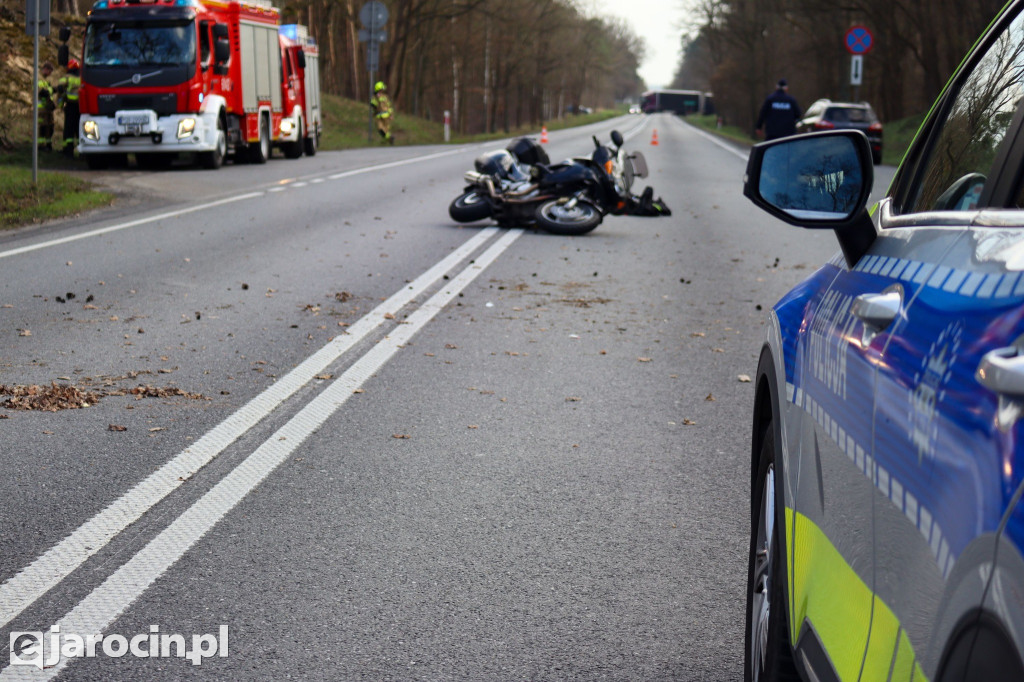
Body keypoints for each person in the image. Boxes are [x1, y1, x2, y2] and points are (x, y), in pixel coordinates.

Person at [56, 59, 82, 156]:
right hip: (82, 108)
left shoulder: (66, 78)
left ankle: (67, 151)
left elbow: (60, 91)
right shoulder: (82, 78)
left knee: (68, 130)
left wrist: (60, 106)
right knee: (80, 130)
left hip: (70, 106)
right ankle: (82, 151)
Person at [37, 62, 55, 151]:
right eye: (50, 72)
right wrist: (50, 91)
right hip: (41, 108)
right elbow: (41, 92)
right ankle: (40, 145)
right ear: (46, 69)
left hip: (47, 108)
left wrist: (53, 90)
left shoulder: (46, 80)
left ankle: (48, 144)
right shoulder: (38, 78)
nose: (50, 74)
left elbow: (48, 91)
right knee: (42, 127)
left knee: (49, 127)